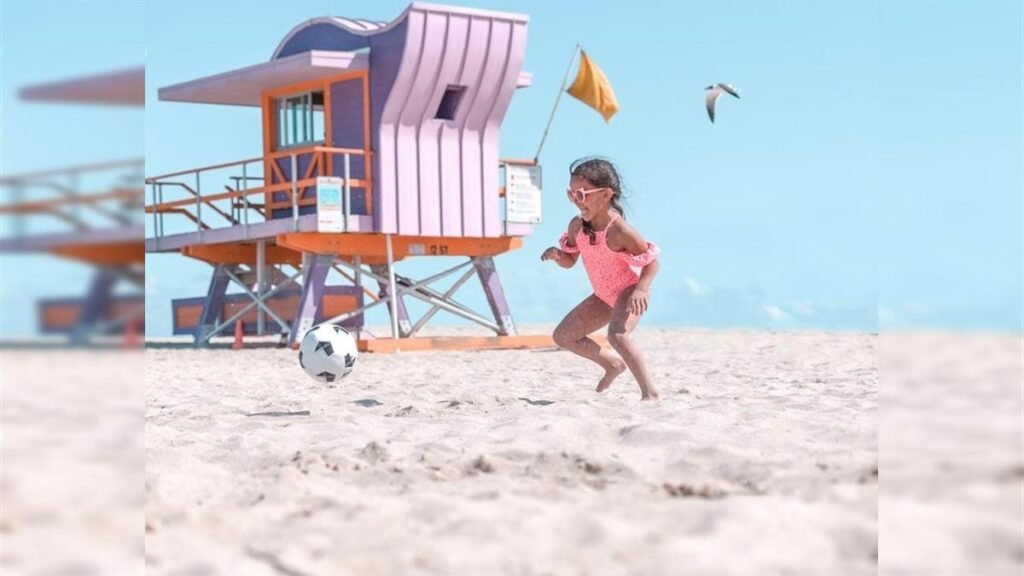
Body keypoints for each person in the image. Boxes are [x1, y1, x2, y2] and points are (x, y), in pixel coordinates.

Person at [541, 157, 661, 400]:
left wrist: (641, 290)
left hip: (629, 290)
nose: (576, 200)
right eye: (571, 194)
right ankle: (612, 364)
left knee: (617, 336)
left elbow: (652, 262)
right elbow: (570, 260)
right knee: (563, 336)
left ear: (606, 194)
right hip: (603, 296)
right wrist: (558, 256)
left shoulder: (619, 231)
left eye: (581, 194)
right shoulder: (577, 226)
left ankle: (650, 393)